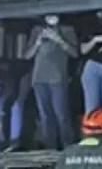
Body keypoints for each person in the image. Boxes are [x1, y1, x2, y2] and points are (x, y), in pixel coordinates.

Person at [26, 14, 78, 149]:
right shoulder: (37, 30)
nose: (51, 17)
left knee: (61, 113)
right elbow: (27, 55)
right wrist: (37, 42)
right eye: (48, 15)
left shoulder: (67, 30)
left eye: (54, 15)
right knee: (44, 115)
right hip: (39, 78)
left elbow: (74, 53)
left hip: (58, 77)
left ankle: (68, 144)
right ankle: (50, 147)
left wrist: (59, 40)